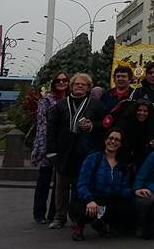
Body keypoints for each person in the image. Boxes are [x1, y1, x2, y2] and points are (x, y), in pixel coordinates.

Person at [46, 73, 105, 230]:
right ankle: (59, 217)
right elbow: (52, 129)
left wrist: (92, 126)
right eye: (77, 84)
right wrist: (51, 151)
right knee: (61, 187)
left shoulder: (96, 105)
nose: (80, 86)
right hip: (64, 151)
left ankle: (77, 217)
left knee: (81, 186)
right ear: (71, 86)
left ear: (88, 88)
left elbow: (105, 125)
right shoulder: (61, 105)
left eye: (83, 85)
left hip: (85, 152)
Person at [70, 128, 134, 240]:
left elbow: (123, 188)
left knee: (127, 206)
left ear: (121, 144)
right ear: (105, 140)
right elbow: (82, 184)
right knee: (81, 207)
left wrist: (135, 192)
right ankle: (78, 227)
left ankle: (103, 223)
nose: (113, 141)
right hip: (90, 199)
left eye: (117, 140)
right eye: (111, 138)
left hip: (107, 200)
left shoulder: (122, 165)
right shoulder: (93, 158)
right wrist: (89, 200)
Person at [31, 71, 68, 225]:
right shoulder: (46, 100)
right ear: (54, 83)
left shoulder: (69, 99)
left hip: (64, 145)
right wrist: (45, 146)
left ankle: (54, 213)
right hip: (49, 144)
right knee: (44, 180)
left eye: (64, 80)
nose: (61, 83)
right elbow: (42, 124)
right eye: (58, 80)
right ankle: (39, 213)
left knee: (60, 183)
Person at [121, 100, 154, 175]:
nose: (142, 113)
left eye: (145, 111)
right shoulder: (125, 125)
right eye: (139, 110)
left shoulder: (150, 127)